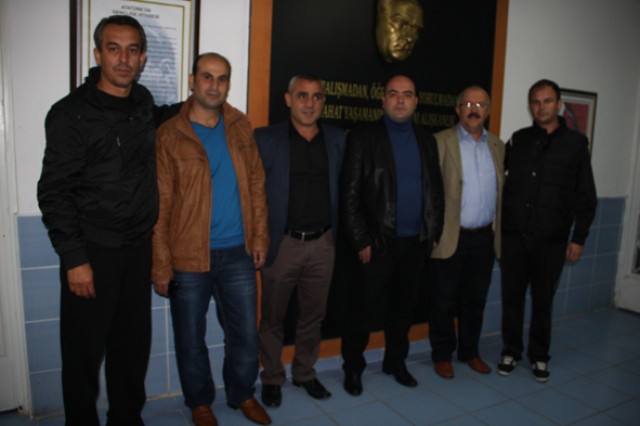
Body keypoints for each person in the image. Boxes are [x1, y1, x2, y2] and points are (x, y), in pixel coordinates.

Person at [37, 15, 177, 426]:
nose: (123, 59)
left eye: (132, 50)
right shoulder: (71, 114)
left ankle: (126, 420)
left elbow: (164, 119)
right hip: (92, 252)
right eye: (114, 49)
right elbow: (54, 192)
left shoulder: (142, 105)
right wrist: (75, 259)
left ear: (143, 57)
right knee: (83, 355)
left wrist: (199, 103)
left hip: (136, 249)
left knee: (131, 349)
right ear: (98, 54)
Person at [151, 52, 271, 426]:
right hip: (188, 258)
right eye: (206, 76)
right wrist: (161, 263)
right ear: (192, 81)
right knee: (190, 338)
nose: (214, 85)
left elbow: (256, 185)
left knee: (245, 336)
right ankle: (200, 403)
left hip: (238, 253)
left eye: (222, 78)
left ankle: (242, 394)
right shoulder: (170, 134)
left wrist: (260, 237)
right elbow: (160, 203)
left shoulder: (240, 126)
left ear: (228, 84)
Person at [340, 75, 444, 395]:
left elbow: (435, 189)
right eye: (394, 94)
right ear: (383, 100)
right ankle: (353, 368)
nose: (400, 100)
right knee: (362, 311)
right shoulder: (364, 136)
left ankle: (395, 362)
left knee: (403, 310)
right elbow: (349, 194)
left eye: (407, 94)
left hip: (415, 244)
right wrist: (361, 240)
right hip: (376, 243)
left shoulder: (426, 140)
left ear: (416, 102)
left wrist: (433, 230)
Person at [255, 75, 346, 407]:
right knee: (273, 319)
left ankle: (305, 373)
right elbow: (253, 195)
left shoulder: (337, 140)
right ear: (288, 99)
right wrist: (258, 238)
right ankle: (272, 377)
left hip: (324, 244)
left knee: (313, 316)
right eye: (302, 95)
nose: (310, 103)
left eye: (317, 96)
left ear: (323, 102)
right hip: (282, 244)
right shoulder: (265, 139)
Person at [498, 79, 597, 382]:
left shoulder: (576, 145)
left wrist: (578, 238)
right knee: (512, 299)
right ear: (530, 106)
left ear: (559, 104)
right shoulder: (518, 140)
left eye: (547, 101)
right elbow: (504, 185)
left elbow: (586, 196)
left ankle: (539, 356)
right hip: (515, 237)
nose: (541, 107)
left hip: (551, 240)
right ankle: (511, 351)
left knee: (543, 301)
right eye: (536, 102)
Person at [429, 86, 505, 379]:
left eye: (480, 104)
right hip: (451, 236)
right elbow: (431, 192)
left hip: (484, 238)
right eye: (468, 104)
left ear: (488, 111)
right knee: (443, 300)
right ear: (458, 109)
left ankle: (470, 352)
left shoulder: (497, 145)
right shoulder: (441, 141)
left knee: (476, 300)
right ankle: (442, 354)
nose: (474, 109)